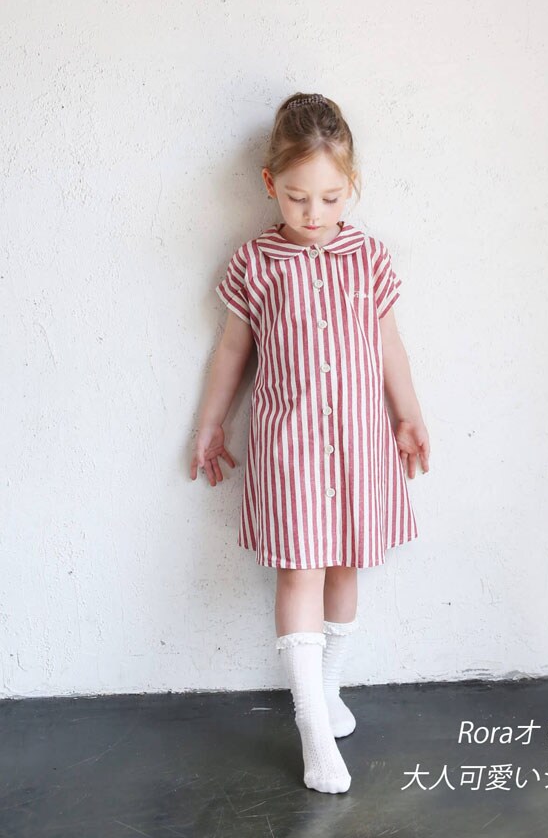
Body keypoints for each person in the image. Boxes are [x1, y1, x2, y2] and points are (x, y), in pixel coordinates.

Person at [189, 92, 430, 794]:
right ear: (271, 185)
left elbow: (389, 346)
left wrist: (409, 415)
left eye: (330, 197)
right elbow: (232, 351)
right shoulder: (256, 263)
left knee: (346, 567)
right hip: (290, 448)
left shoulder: (369, 258)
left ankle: (327, 690)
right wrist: (210, 424)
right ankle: (312, 729)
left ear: (351, 185)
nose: (314, 213)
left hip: (359, 446)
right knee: (300, 572)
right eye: (298, 199)